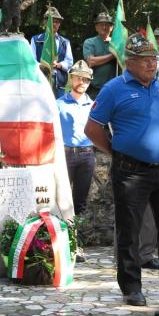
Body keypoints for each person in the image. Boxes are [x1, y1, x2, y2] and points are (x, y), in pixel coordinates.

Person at [85, 33, 159, 306]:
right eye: (146, 60)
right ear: (130, 62)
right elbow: (92, 129)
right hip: (131, 172)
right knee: (130, 230)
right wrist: (117, 151)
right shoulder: (114, 89)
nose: (152, 65)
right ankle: (131, 288)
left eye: (154, 60)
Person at [57, 60, 95, 216]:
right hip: (65, 154)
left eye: (85, 79)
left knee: (81, 200)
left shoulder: (94, 106)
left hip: (87, 156)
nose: (82, 82)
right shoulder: (58, 104)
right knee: (61, 198)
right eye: (78, 78)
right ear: (71, 78)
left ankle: (77, 237)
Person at [30, 7, 73, 99]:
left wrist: (58, 65)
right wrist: (43, 65)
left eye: (57, 22)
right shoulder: (36, 40)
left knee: (58, 108)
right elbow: (31, 61)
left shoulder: (65, 42)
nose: (54, 24)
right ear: (45, 22)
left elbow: (69, 62)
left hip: (59, 82)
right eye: (51, 21)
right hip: (41, 79)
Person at [83, 12, 116, 99]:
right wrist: (112, 56)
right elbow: (91, 61)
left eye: (107, 25)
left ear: (111, 28)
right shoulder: (90, 42)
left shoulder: (117, 44)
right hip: (94, 89)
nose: (104, 27)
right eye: (101, 25)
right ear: (96, 27)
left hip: (114, 89)